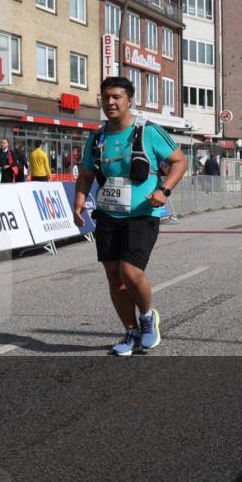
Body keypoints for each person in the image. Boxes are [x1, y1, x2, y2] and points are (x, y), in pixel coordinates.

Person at [72, 77, 188, 356]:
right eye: (105, 97)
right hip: (108, 214)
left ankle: (148, 317)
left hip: (142, 213)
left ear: (129, 100)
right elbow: (87, 174)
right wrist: (78, 203)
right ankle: (130, 331)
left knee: (130, 271)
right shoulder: (98, 137)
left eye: (116, 97)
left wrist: (164, 190)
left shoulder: (148, 131)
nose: (110, 102)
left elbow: (180, 161)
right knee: (114, 276)